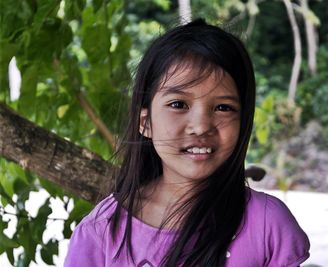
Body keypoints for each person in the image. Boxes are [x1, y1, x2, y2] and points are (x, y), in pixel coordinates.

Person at [64, 18, 310, 267]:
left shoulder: (268, 225)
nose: (201, 126)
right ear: (145, 122)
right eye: (178, 105)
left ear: (243, 119)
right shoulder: (102, 230)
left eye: (223, 108)